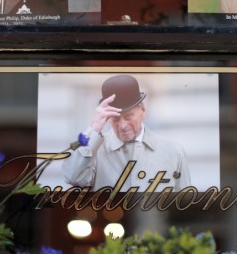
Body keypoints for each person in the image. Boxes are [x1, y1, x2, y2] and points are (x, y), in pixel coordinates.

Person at [61, 75, 191, 191]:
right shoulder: (94, 152)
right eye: (116, 118)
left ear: (143, 110)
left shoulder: (174, 151)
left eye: (128, 116)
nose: (122, 126)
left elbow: (184, 205)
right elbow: (72, 177)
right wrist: (94, 127)